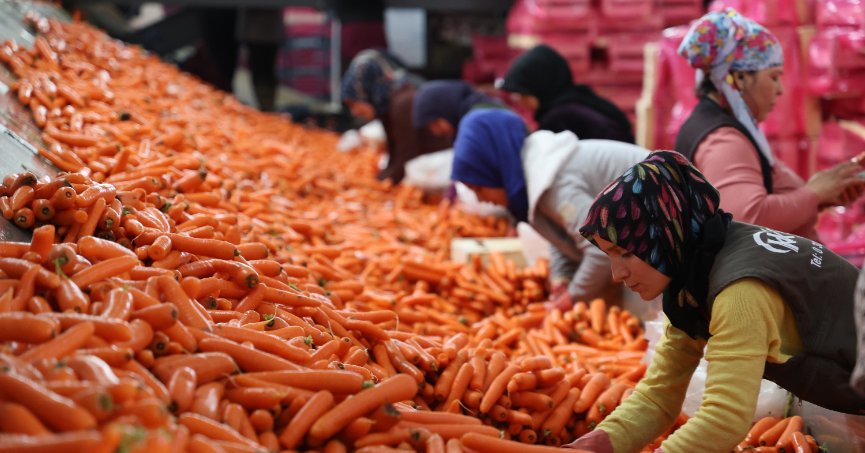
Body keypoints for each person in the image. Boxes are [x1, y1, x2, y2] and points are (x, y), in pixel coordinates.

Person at [566, 151, 865, 453]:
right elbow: (658, 397)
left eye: (626, 253)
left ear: (663, 235)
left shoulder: (738, 292)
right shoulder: (695, 270)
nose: (617, 274)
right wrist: (601, 441)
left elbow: (724, 419)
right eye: (610, 255)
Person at [675, 8, 865, 240]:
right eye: (774, 77)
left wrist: (823, 194)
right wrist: (813, 194)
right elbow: (748, 219)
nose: (780, 89)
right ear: (740, 78)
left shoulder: (728, 128)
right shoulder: (723, 140)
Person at [450, 109, 649, 311]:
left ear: (496, 168)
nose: (480, 200)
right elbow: (562, 235)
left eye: (479, 188)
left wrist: (573, 297)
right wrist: (561, 277)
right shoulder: (538, 175)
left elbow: (601, 249)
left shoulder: (554, 182)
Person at [341, 49, 451, 183]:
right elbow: (395, 156)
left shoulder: (403, 103)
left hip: (440, 172)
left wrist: (376, 185)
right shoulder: (389, 106)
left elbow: (406, 157)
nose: (354, 112)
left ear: (367, 90)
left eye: (354, 103)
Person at [500, 44, 634, 143]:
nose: (518, 99)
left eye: (524, 94)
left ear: (541, 87)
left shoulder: (558, 119)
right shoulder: (583, 99)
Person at [412, 80, 503, 139]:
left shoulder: (480, 118)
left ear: (445, 109)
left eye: (435, 123)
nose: (436, 132)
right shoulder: (463, 119)